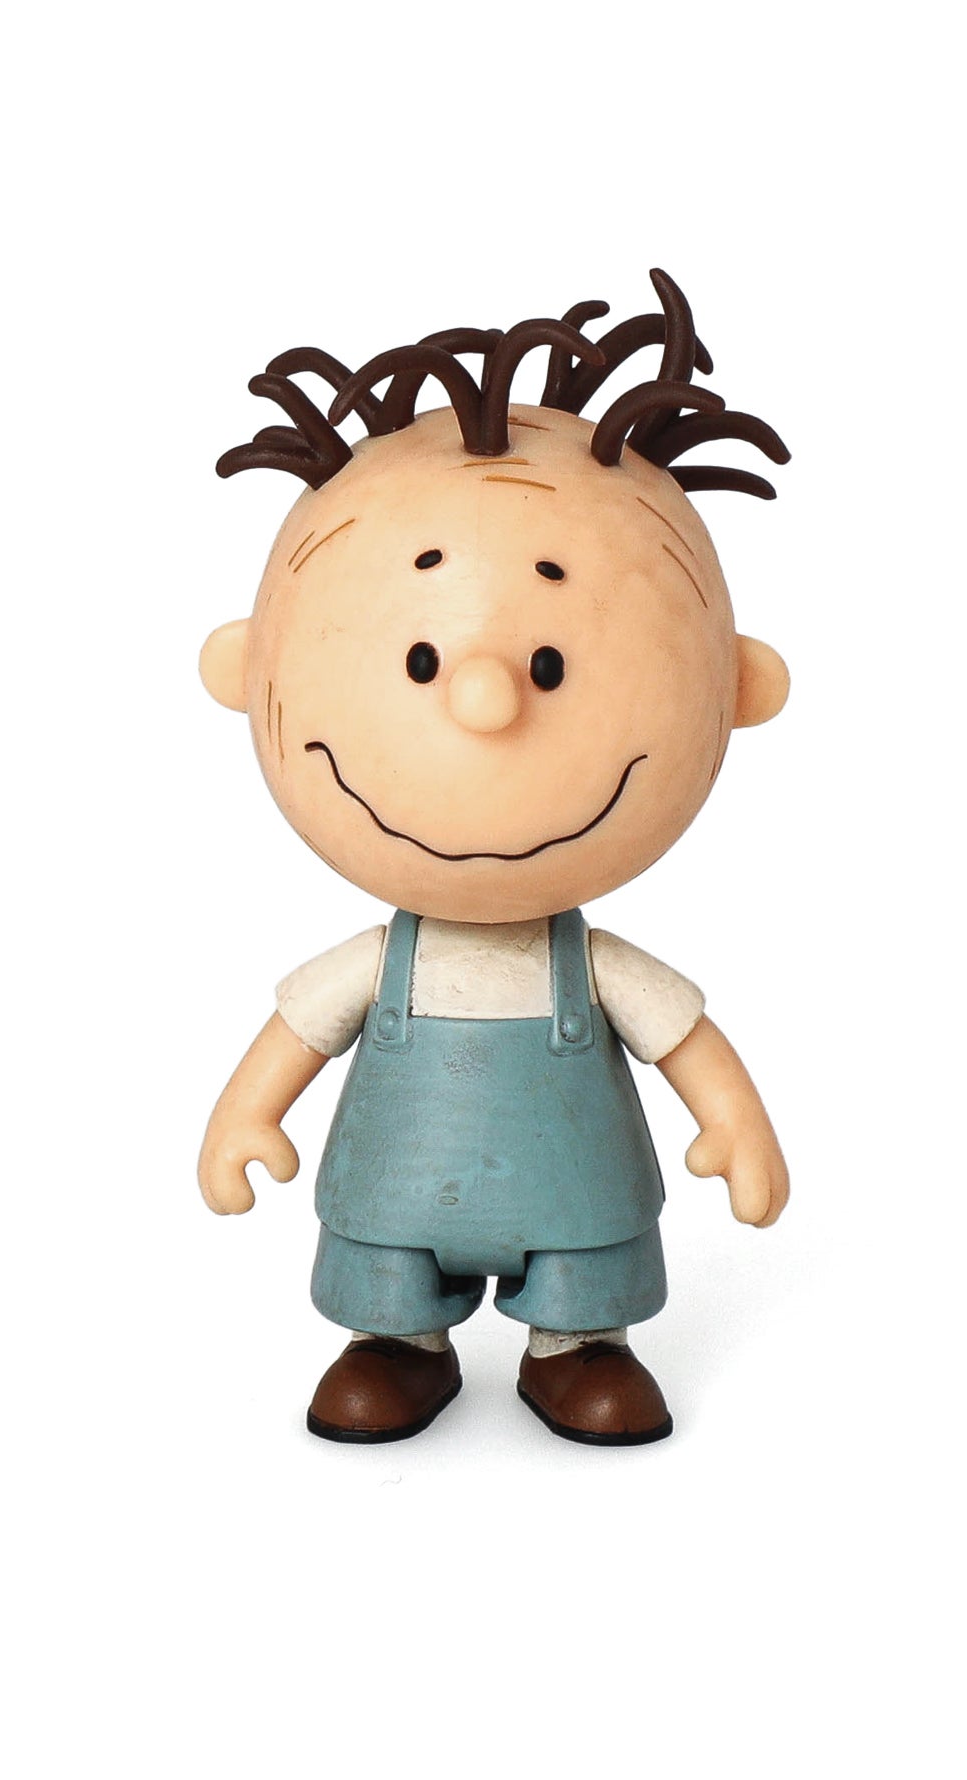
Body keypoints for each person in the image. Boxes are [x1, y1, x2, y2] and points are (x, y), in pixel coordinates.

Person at [197, 271, 792, 1445]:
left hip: (576, 1200)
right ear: (247, 666)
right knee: (382, 1263)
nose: (484, 700)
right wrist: (241, 1119)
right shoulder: (376, 966)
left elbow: (682, 1037)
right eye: (418, 662)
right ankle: (395, 1341)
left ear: (736, 688)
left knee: (590, 1257)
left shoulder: (597, 969)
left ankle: (578, 1344)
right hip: (396, 1194)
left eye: (549, 667)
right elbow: (296, 1034)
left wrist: (737, 1123)